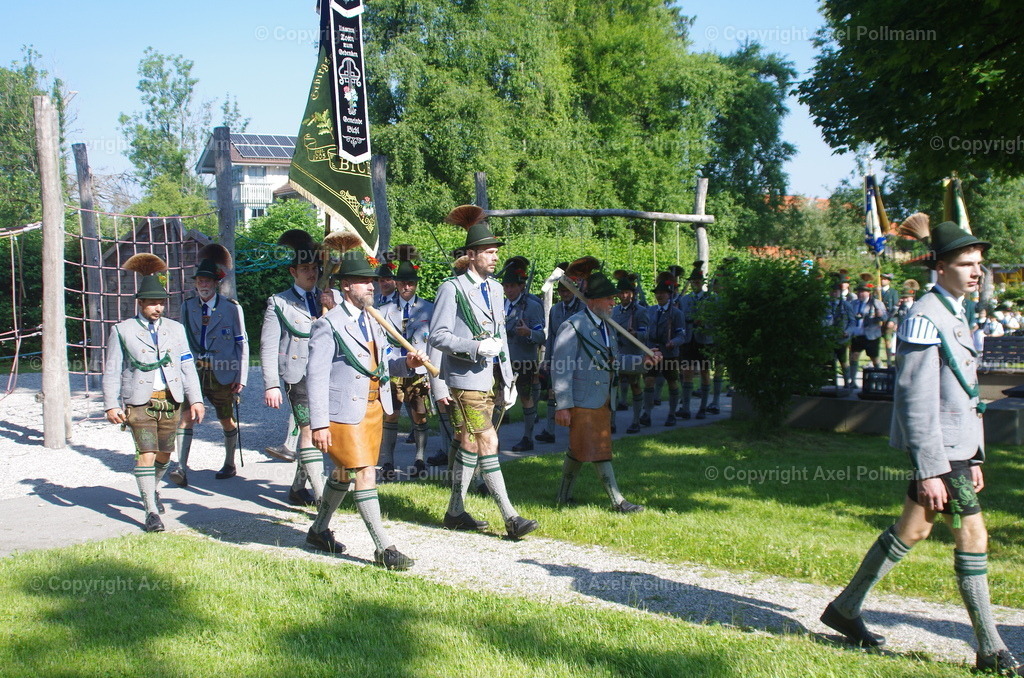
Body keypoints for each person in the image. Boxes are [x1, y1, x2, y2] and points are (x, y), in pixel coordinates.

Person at [821, 222, 1024, 675]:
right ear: (940, 267)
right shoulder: (924, 315)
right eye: (966, 264)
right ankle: (990, 649)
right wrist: (931, 468)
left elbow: (961, 393)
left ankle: (846, 609)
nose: (976, 272)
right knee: (973, 536)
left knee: (912, 530)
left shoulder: (953, 310)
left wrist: (973, 455)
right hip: (939, 451)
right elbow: (914, 397)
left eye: (978, 264)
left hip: (954, 449)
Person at [305, 250, 425, 569]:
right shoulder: (328, 325)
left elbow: (382, 364)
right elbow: (315, 377)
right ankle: (384, 548)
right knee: (364, 474)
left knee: (344, 473)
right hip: (344, 412)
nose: (371, 287)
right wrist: (319, 425)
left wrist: (408, 364)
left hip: (373, 408)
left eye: (372, 281)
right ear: (346, 286)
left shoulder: (373, 318)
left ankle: (318, 530)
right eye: (363, 281)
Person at [429, 204, 539, 539]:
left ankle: (454, 511)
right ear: (473, 255)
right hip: (463, 382)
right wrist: (475, 347)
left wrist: (508, 379)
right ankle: (511, 516)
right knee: (488, 440)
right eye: (489, 252)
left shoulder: (494, 289)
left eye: (495, 252)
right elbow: (438, 336)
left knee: (470, 445)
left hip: (489, 380)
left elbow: (501, 336)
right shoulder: (453, 288)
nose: (494, 258)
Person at [102, 254, 205, 532]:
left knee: (163, 456)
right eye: (152, 303)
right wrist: (111, 404)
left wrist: (195, 399)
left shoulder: (176, 329)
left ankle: (151, 488)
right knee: (146, 453)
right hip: (139, 403)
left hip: (170, 402)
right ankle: (150, 512)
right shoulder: (122, 331)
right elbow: (112, 369)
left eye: (161, 303)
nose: (158, 308)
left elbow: (187, 366)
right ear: (140, 303)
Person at [552, 269, 660, 511]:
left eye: (614, 297)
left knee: (578, 448)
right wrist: (563, 405)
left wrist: (644, 362)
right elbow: (561, 368)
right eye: (609, 298)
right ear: (592, 301)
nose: (614, 301)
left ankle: (562, 497)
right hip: (582, 400)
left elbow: (614, 361)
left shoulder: (608, 326)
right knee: (599, 449)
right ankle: (618, 501)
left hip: (603, 400)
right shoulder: (573, 326)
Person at [260, 230, 330, 508]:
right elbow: (267, 346)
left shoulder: (328, 298)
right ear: (293, 271)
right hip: (296, 376)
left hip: (325, 375)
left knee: (316, 431)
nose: (311, 274)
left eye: (314, 268)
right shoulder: (278, 303)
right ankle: (323, 494)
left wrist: (331, 307)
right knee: (309, 429)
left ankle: (297, 488)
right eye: (305, 269)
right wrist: (271, 384)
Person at [170, 244, 248, 486]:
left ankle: (229, 462)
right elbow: (181, 342)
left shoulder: (232, 308)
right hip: (194, 371)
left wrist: (242, 377)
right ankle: (181, 469)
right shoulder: (187, 307)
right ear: (196, 284)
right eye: (200, 281)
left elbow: (242, 344)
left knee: (225, 418)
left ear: (216, 283)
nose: (203, 285)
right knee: (186, 416)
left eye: (208, 281)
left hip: (223, 373)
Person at [378, 245, 436, 480]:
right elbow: (380, 345)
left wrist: (434, 376)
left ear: (416, 284)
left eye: (410, 283)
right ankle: (388, 462)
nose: (406, 287)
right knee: (390, 415)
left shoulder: (429, 309)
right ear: (397, 283)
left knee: (420, 416)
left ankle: (420, 459)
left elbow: (434, 343)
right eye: (402, 283)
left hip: (420, 371)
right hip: (394, 370)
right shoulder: (382, 311)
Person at [501, 257, 546, 452]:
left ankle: (528, 437)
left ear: (521, 286)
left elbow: (541, 336)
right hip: (503, 359)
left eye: (512, 286)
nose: (509, 290)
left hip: (525, 359)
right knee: (497, 398)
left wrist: (528, 333)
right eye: (506, 286)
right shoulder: (500, 304)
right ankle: (492, 439)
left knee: (526, 398)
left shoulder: (533, 306)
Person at [536, 264, 580, 444]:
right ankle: (550, 430)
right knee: (553, 393)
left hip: (578, 360)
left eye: (567, 290)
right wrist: (547, 360)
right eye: (561, 290)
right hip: (558, 359)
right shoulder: (555, 310)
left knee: (576, 396)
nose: (564, 293)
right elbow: (551, 336)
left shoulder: (582, 308)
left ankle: (576, 431)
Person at [642, 276, 684, 426]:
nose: (659, 295)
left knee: (672, 382)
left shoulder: (676, 313)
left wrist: (674, 342)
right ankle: (646, 413)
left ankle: (672, 414)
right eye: (657, 293)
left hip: (669, 353)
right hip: (652, 351)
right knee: (649, 381)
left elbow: (681, 334)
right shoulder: (650, 310)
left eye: (663, 293)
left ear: (669, 295)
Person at [610, 272, 647, 433]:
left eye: (627, 292)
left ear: (632, 293)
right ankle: (611, 422)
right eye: (621, 292)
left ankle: (636, 420)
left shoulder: (640, 311)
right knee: (613, 386)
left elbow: (647, 333)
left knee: (635, 385)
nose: (624, 295)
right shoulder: (614, 311)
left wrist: (636, 334)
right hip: (617, 353)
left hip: (633, 353)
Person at [676, 263, 713, 419]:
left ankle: (703, 408)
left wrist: (705, 322)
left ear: (703, 283)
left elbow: (716, 319)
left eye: (697, 282)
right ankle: (685, 407)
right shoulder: (684, 300)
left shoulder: (711, 299)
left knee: (705, 372)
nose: (695, 284)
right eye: (692, 282)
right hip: (688, 340)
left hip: (704, 340)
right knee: (687, 372)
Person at [846, 280, 888, 388]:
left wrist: (879, 315)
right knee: (853, 356)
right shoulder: (854, 303)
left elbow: (885, 318)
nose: (861, 294)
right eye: (859, 291)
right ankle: (853, 381)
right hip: (857, 334)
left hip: (871, 335)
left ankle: (880, 379)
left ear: (868, 292)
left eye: (863, 292)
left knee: (874, 358)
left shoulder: (876, 303)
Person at [824, 280, 855, 388]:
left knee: (843, 361)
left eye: (836, 291)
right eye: (832, 291)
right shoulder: (825, 305)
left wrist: (847, 332)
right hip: (828, 337)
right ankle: (831, 382)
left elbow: (852, 321)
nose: (834, 293)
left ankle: (847, 382)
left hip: (842, 338)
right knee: (829, 360)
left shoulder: (846, 305)